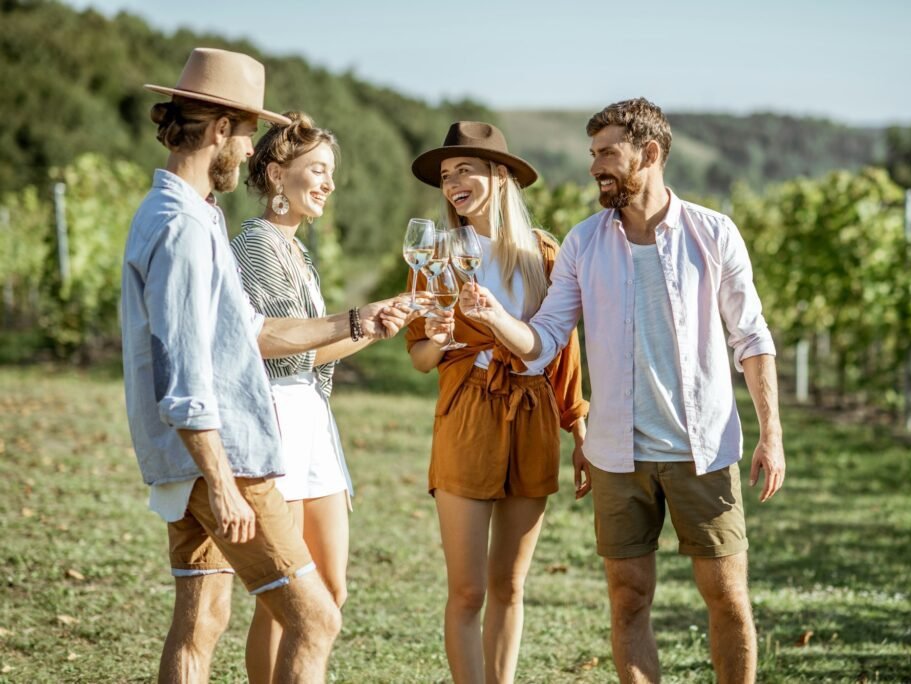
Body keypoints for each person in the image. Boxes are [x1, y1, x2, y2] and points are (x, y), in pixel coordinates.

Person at [460, 99, 786, 684]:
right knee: (628, 600)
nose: (595, 167)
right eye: (593, 154)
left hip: (703, 450)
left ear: (650, 153)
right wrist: (493, 318)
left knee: (728, 596)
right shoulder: (584, 243)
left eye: (608, 153)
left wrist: (772, 435)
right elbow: (546, 340)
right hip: (617, 457)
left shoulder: (712, 234)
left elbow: (752, 338)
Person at [121, 48, 412, 683]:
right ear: (221, 128)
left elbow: (242, 332)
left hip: (185, 460)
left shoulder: (183, 215)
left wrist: (358, 322)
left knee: (201, 622)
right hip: (222, 461)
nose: (253, 150)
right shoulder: (182, 227)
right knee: (316, 619)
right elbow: (184, 364)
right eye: (250, 133)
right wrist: (222, 481)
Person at [405, 121, 589, 684]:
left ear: (500, 176)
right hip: (466, 414)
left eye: (465, 169)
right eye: (445, 174)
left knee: (511, 585)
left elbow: (563, 355)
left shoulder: (545, 255)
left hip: (531, 417)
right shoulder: (433, 255)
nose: (453, 182)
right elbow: (420, 357)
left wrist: (578, 431)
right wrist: (435, 334)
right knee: (468, 589)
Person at [231, 111, 393, 682]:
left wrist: (373, 327)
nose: (327, 183)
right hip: (276, 420)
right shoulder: (255, 243)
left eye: (330, 172)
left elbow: (311, 356)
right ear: (277, 174)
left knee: (330, 587)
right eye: (316, 170)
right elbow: (275, 349)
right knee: (284, 598)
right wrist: (354, 322)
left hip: (313, 420)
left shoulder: (296, 251)